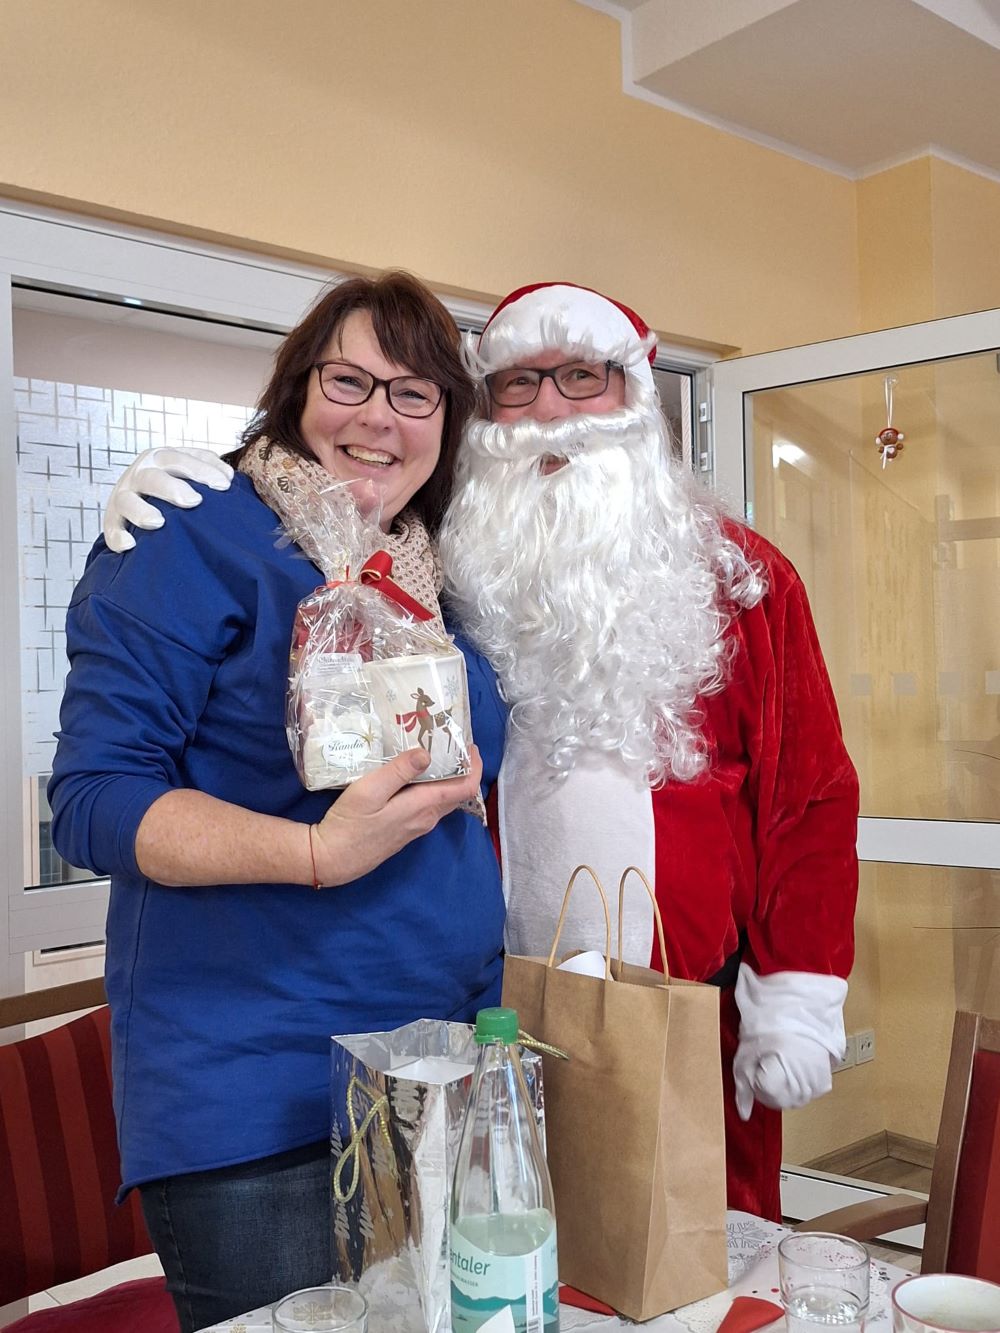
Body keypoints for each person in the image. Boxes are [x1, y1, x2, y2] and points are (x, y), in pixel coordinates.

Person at [103, 280, 859, 1224]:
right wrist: (209, 476)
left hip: (674, 1022)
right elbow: (322, 504)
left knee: (680, 1283)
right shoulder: (451, 564)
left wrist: (796, 989)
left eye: (581, 377)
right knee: (485, 1282)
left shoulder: (743, 577)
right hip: (480, 1035)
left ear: (636, 397)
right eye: (518, 385)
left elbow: (811, 797)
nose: (549, 408)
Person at [49, 272, 507, 1333]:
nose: (376, 416)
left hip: (440, 1067)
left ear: (446, 422)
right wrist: (319, 853)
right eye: (348, 380)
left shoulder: (426, 569)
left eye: (414, 394)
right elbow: (94, 799)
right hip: (264, 1093)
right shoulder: (191, 534)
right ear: (297, 388)